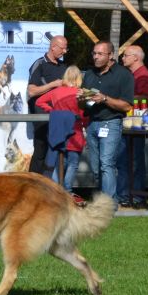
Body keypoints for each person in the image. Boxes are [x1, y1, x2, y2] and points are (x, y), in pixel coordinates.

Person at [79, 41, 134, 207]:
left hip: (111, 123)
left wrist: (104, 99)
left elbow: (127, 106)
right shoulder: (89, 74)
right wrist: (81, 98)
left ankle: (108, 204)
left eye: (100, 54)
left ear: (110, 55)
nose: (95, 57)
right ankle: (103, 200)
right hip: (92, 123)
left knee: (107, 164)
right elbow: (82, 105)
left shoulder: (124, 74)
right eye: (94, 53)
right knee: (96, 167)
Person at [35, 66, 88, 202]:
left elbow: (39, 101)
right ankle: (67, 190)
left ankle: (56, 191)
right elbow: (84, 115)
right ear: (79, 78)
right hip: (75, 132)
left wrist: (52, 111)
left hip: (58, 132)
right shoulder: (81, 93)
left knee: (59, 163)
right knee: (73, 163)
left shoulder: (56, 91)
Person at [116, 46, 148, 206]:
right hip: (130, 122)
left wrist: (119, 99)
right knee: (126, 160)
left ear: (136, 58)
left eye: (125, 55)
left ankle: (134, 197)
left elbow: (141, 99)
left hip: (136, 123)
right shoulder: (134, 75)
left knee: (133, 160)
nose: (123, 58)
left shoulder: (143, 76)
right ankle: (126, 196)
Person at [27, 35, 68, 174]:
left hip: (60, 115)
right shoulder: (39, 64)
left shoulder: (64, 67)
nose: (64, 51)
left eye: (66, 49)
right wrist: (53, 85)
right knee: (41, 150)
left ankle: (53, 184)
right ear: (53, 47)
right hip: (42, 116)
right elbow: (31, 91)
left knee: (58, 152)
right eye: (62, 48)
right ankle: (32, 182)